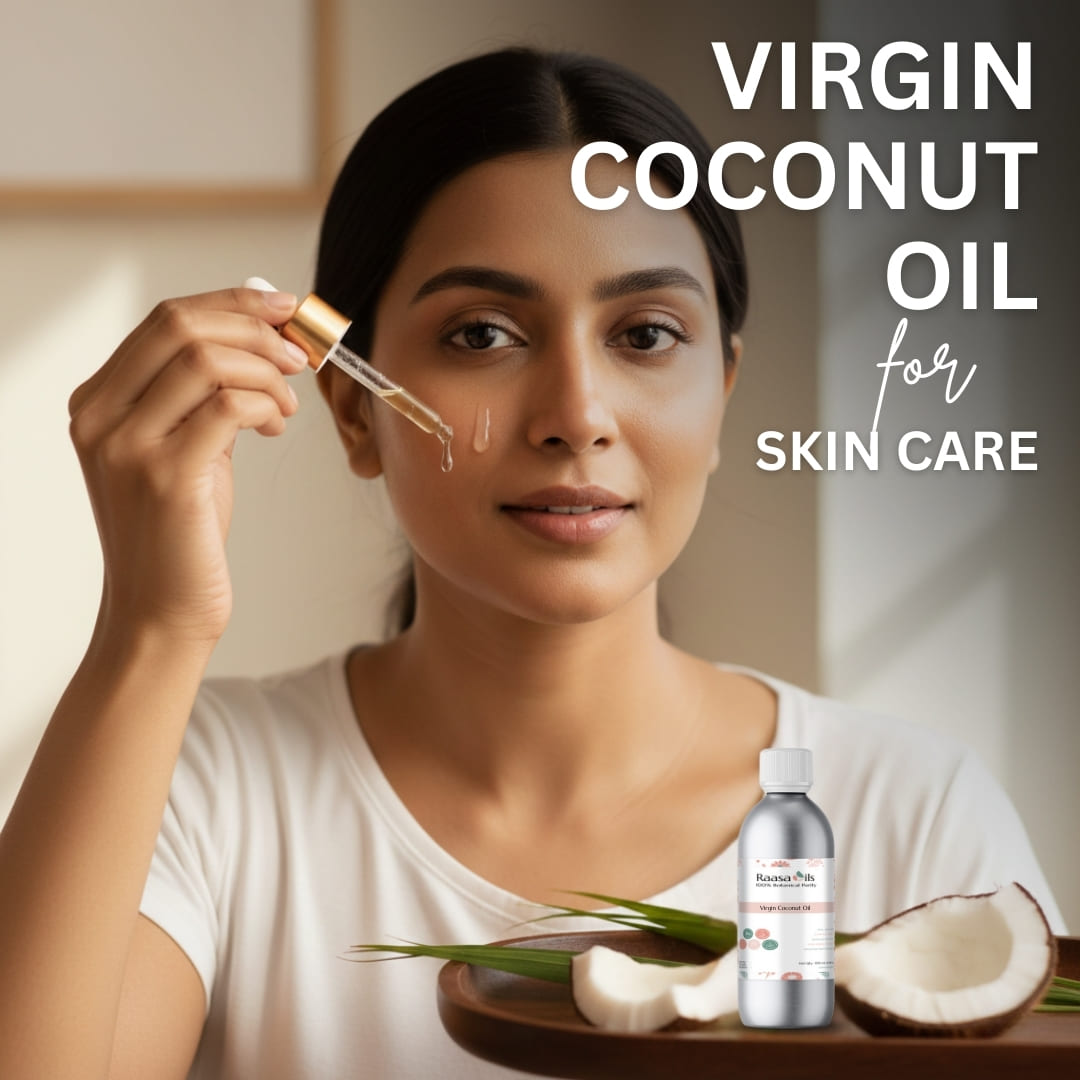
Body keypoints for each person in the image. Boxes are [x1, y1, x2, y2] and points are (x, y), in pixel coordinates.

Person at [0, 47, 1065, 1079]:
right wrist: (151, 625)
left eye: (645, 334)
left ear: (724, 393)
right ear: (352, 408)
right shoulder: (206, 788)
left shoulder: (913, 813)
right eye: (481, 335)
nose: (577, 416)